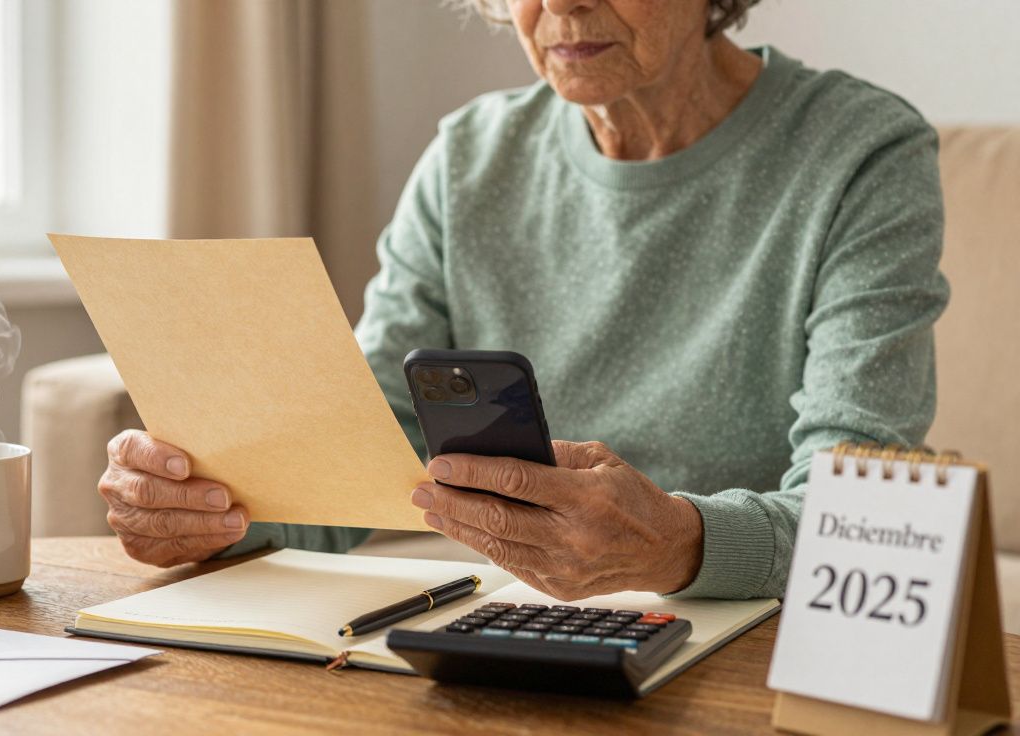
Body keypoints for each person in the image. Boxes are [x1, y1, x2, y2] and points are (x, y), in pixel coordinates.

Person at [96, 0, 948, 600]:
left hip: (752, 637)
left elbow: (863, 511)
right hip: (511, 632)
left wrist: (678, 544)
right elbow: (364, 456)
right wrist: (211, 511)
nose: (562, 4)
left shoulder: (860, 153)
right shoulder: (470, 156)